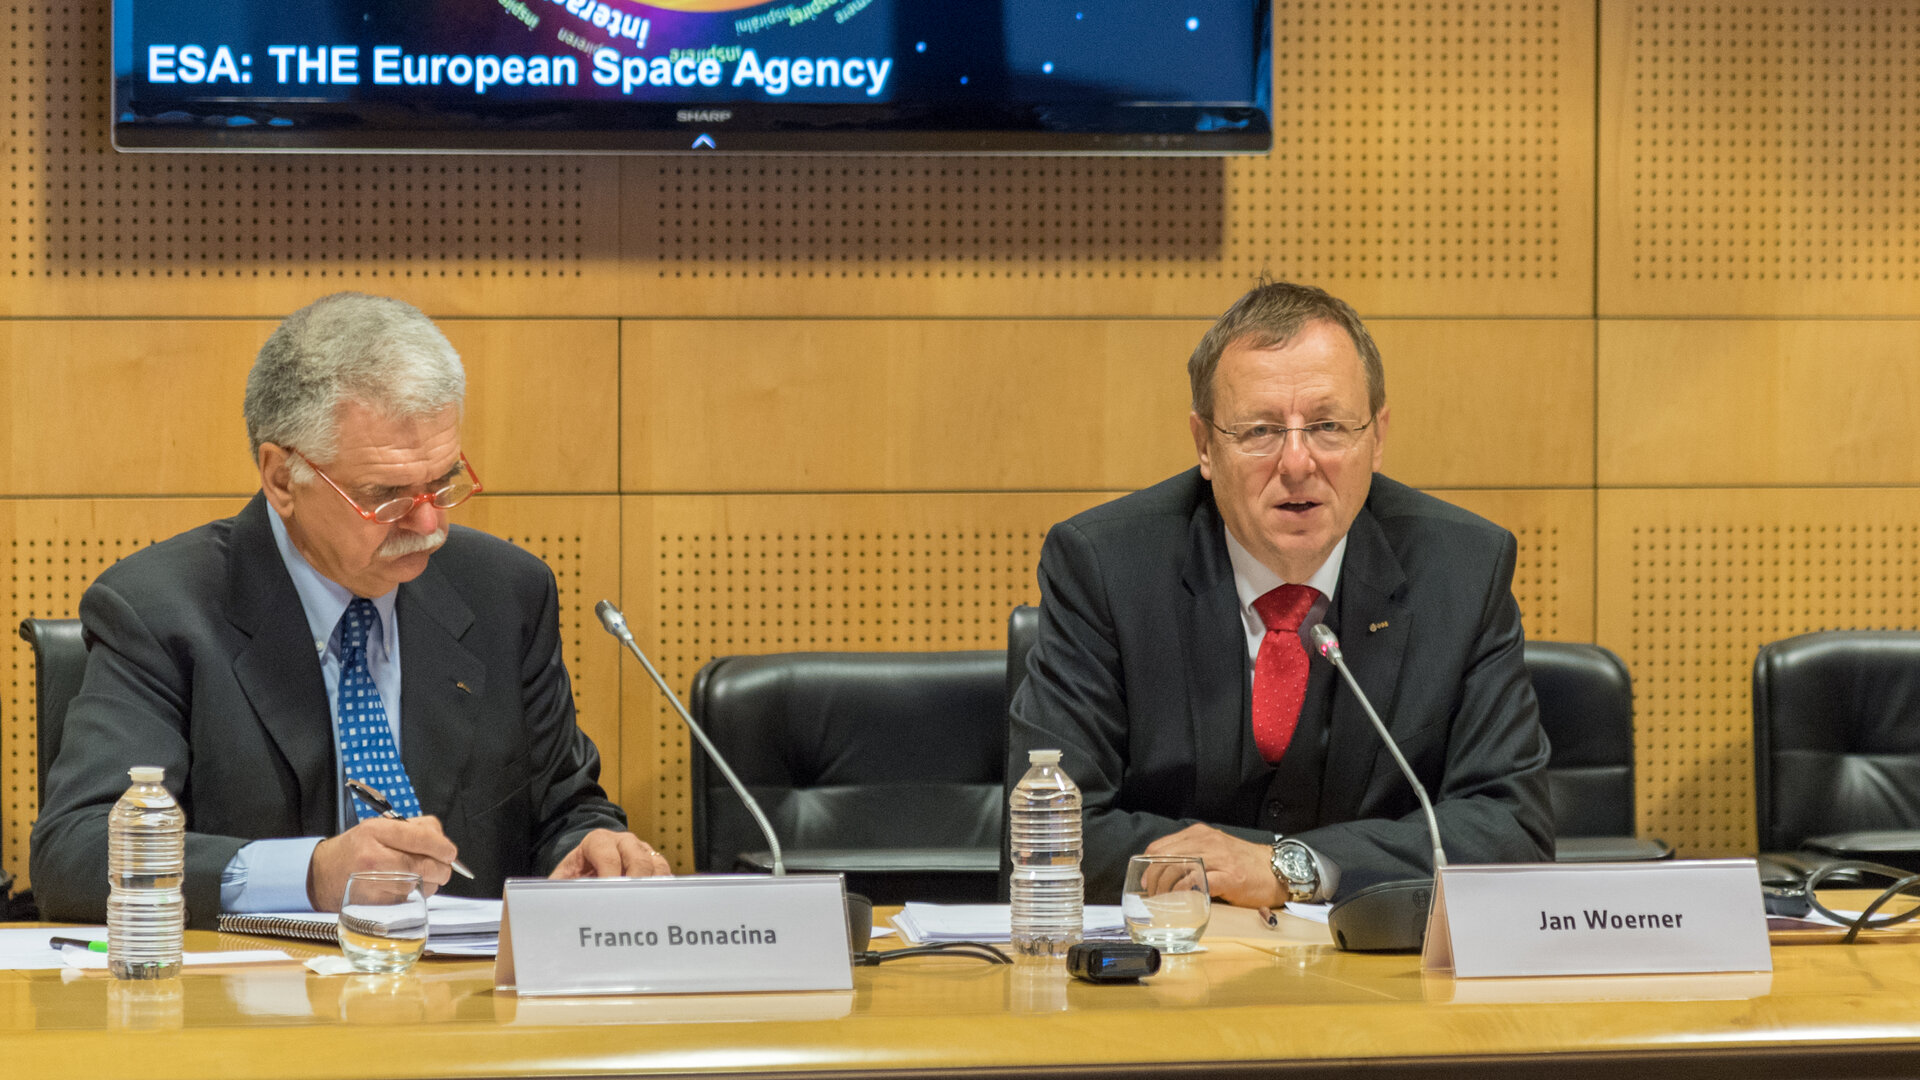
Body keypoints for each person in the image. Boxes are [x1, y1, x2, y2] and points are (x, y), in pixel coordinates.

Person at [31, 292, 670, 926]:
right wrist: (309, 874)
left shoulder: (505, 591)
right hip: (255, 1009)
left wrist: (590, 850)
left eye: (443, 482)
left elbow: (564, 810)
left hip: (464, 1004)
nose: (429, 524)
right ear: (282, 479)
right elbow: (77, 853)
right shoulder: (160, 608)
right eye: (386, 494)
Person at [1008, 280, 1552, 906]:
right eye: (1261, 431)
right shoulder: (1106, 568)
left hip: (1384, 984)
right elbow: (1051, 834)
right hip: (1167, 973)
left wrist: (1286, 866)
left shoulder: (1461, 570)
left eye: (1327, 426)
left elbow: (1512, 832)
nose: (1297, 463)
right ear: (1204, 446)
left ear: (1376, 438)